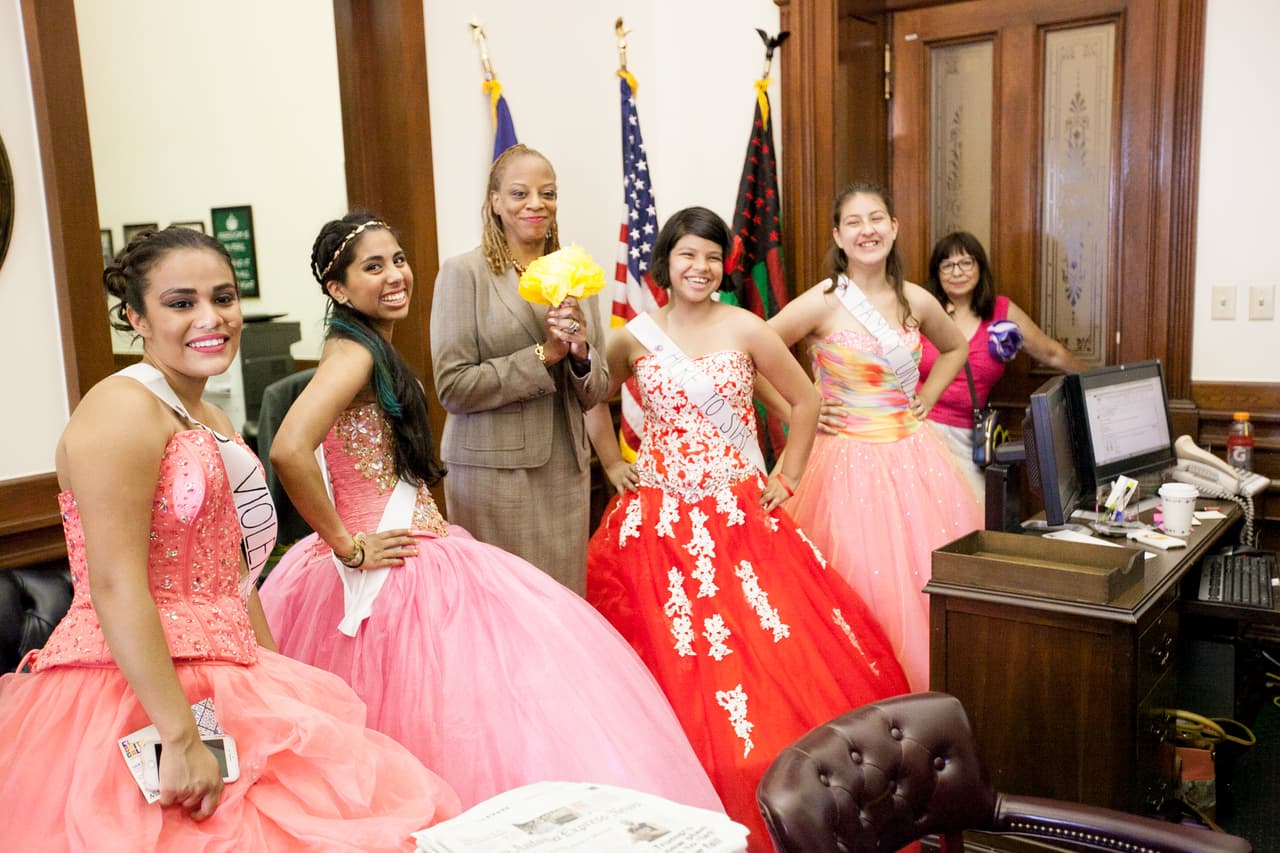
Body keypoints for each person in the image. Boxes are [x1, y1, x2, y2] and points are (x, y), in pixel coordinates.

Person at [0, 227, 459, 850]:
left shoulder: (211, 418)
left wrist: (279, 683)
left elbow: (233, 575)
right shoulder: (119, 410)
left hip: (232, 674)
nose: (210, 318)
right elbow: (114, 584)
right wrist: (181, 736)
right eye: (181, 303)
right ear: (136, 317)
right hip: (132, 686)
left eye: (224, 297)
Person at [258, 213, 721, 813]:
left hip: (414, 545)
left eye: (397, 258)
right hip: (389, 564)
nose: (396, 274)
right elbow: (288, 449)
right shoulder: (354, 355)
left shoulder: (366, 346)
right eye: (373, 267)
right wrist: (348, 544)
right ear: (338, 290)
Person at [587, 206, 910, 851]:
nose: (700, 267)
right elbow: (595, 396)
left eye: (711, 256)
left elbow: (805, 400)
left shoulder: (747, 327)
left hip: (738, 516)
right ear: (665, 264)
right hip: (655, 523)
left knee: (769, 651)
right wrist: (613, 461)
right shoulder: (633, 335)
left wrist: (788, 475)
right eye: (687, 255)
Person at [766, 182, 983, 693]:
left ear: (894, 228)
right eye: (855, 222)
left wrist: (925, 397)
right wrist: (800, 411)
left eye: (877, 218)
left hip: (916, 460)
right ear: (838, 236)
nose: (868, 230)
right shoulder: (822, 301)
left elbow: (954, 349)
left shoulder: (916, 299)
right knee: (858, 590)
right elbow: (750, 353)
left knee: (925, 591)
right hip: (843, 466)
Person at [430, 144, 607, 594]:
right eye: (519, 193)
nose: (535, 204)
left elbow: (596, 390)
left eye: (547, 194)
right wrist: (543, 355)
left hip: (566, 473)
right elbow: (453, 386)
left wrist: (581, 352)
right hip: (493, 476)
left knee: (562, 606)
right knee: (503, 608)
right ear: (494, 202)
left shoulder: (577, 274)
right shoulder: (464, 273)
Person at [921, 230, 1086, 501]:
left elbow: (1051, 353)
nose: (957, 271)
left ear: (979, 267)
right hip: (922, 431)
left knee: (973, 515)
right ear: (937, 273)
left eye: (966, 262)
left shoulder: (1000, 310)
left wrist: (1094, 380)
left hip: (969, 439)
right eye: (947, 265)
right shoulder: (925, 309)